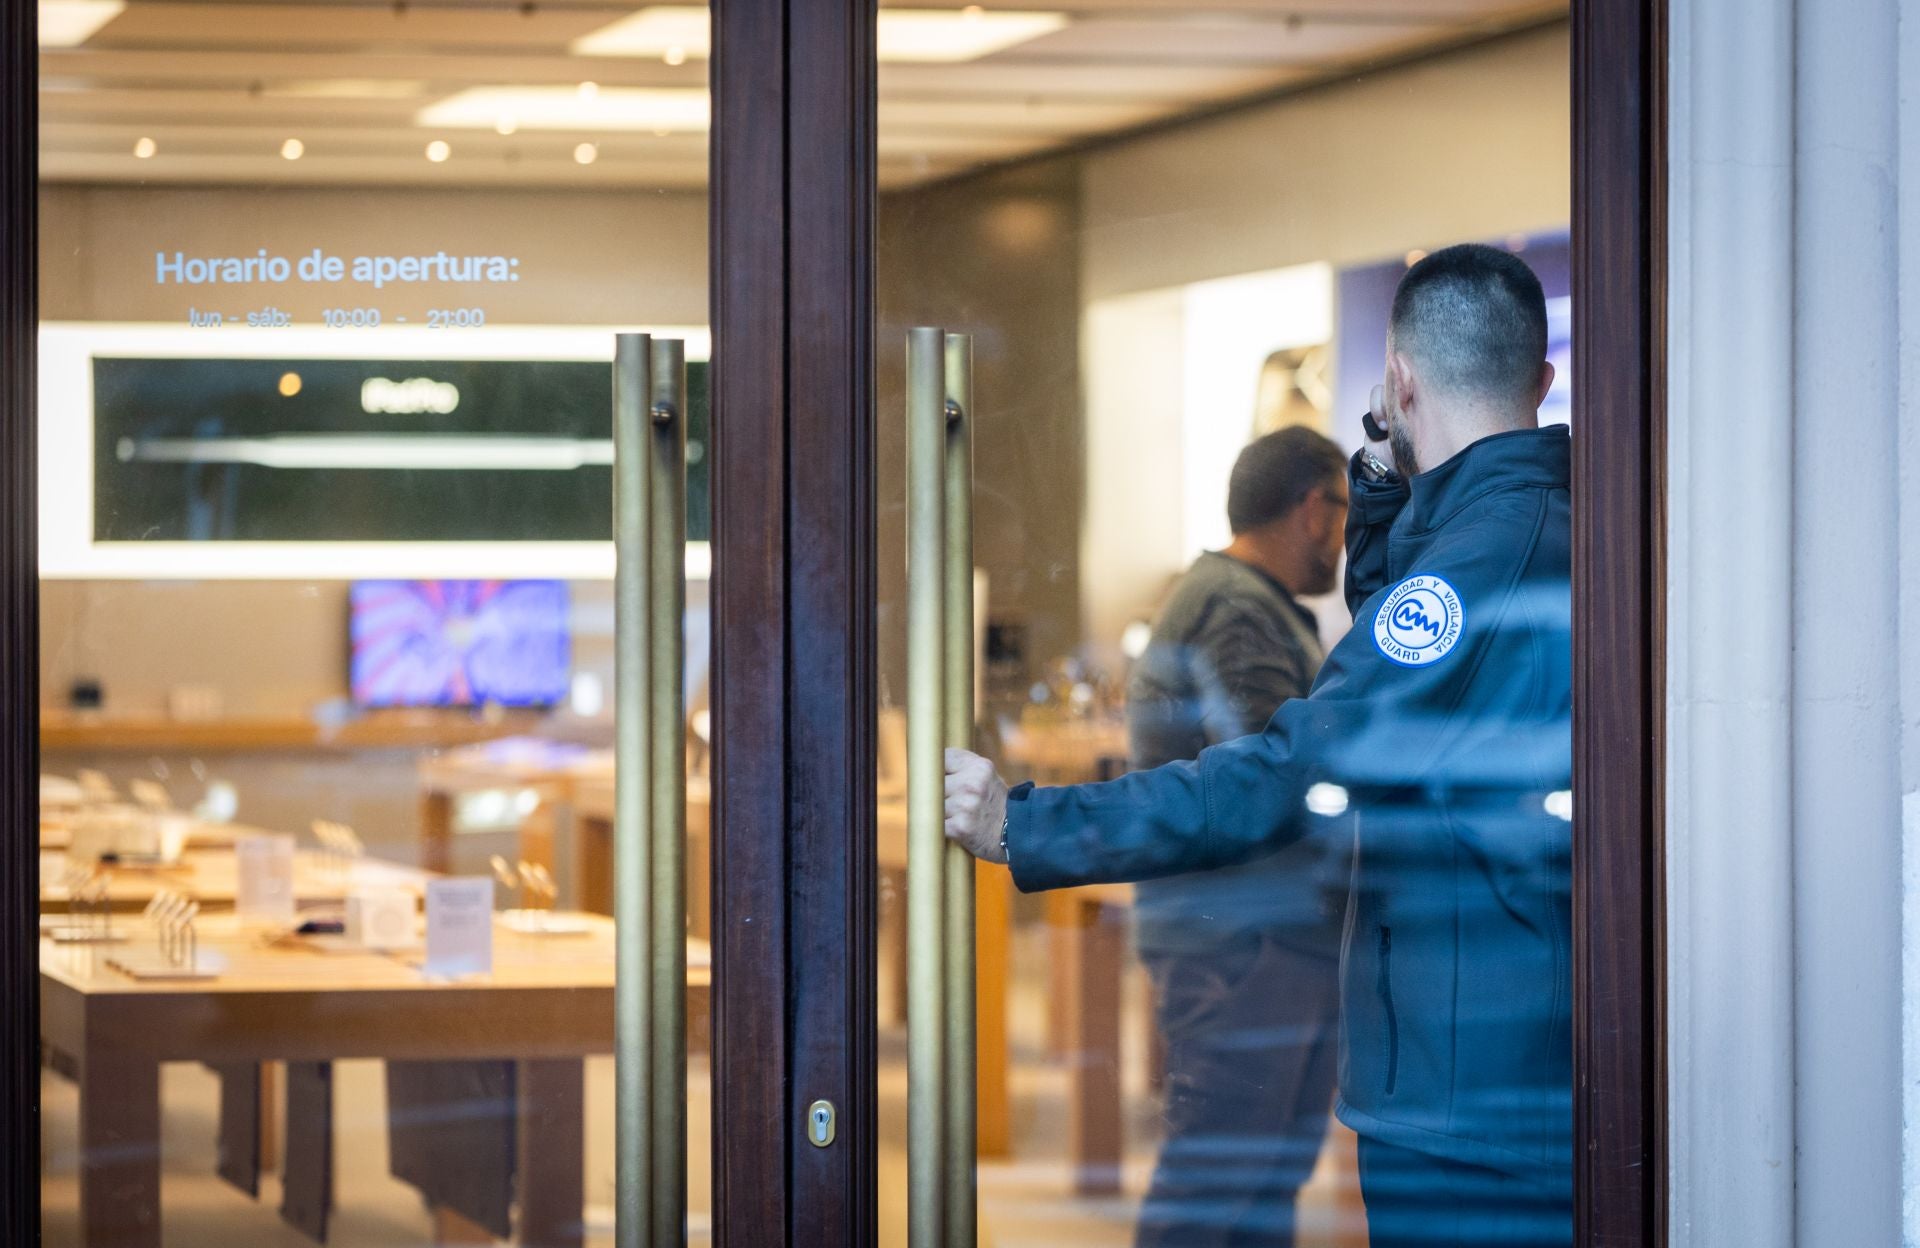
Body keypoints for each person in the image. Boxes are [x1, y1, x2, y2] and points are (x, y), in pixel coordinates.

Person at [945, 243, 1573, 1248]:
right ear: (1541, 381)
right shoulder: (1532, 528)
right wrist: (1381, 466)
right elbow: (1396, 621)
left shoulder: (1480, 563)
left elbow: (1294, 764)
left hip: (1468, 1093)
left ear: (1399, 380)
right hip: (1497, 1055)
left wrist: (1032, 821)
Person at [1124, 425, 1351, 1248]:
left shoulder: (1238, 602)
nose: (1348, 533)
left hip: (1253, 939)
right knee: (1214, 1189)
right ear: (1311, 509)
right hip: (1243, 945)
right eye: (1344, 508)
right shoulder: (1236, 610)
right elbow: (1265, 784)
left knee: (1253, 1190)